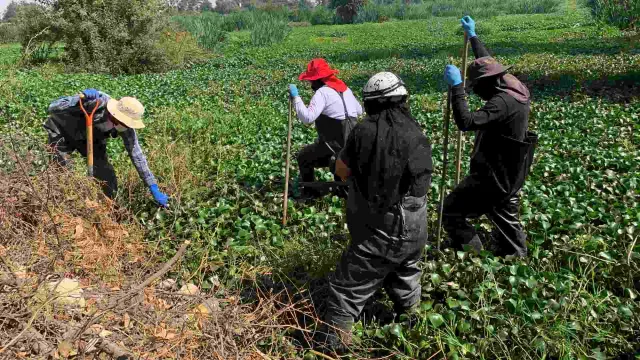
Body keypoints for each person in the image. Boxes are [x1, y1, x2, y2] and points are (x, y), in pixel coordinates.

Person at [318, 72, 433, 353]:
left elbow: (342, 172)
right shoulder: (416, 131)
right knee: (405, 272)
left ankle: (335, 347)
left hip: (382, 228)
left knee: (348, 286)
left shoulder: (363, 131)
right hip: (416, 226)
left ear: (371, 103)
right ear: (401, 99)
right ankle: (413, 332)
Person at [442, 16, 538, 257]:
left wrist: (457, 88)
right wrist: (473, 36)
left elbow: (466, 122)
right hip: (511, 170)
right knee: (505, 215)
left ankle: (474, 256)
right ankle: (516, 257)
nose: (476, 93)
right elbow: (487, 63)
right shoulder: (512, 84)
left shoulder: (501, 104)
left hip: (494, 175)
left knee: (451, 210)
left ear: (486, 84)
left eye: (476, 88)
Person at [44, 88, 169, 206]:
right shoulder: (97, 102)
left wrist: (152, 186)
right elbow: (52, 107)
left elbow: (136, 154)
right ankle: (62, 206)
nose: (124, 125)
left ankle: (109, 207)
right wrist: (77, 101)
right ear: (115, 114)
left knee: (106, 174)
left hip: (92, 138)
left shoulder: (126, 128)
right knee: (63, 172)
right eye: (122, 121)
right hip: (62, 132)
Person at [288, 59, 363, 195]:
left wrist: (296, 98)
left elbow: (307, 118)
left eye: (311, 80)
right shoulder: (346, 89)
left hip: (333, 146)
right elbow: (359, 111)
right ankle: (340, 188)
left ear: (318, 80)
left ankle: (310, 192)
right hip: (353, 145)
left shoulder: (322, 93)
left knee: (303, 157)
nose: (310, 84)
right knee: (331, 158)